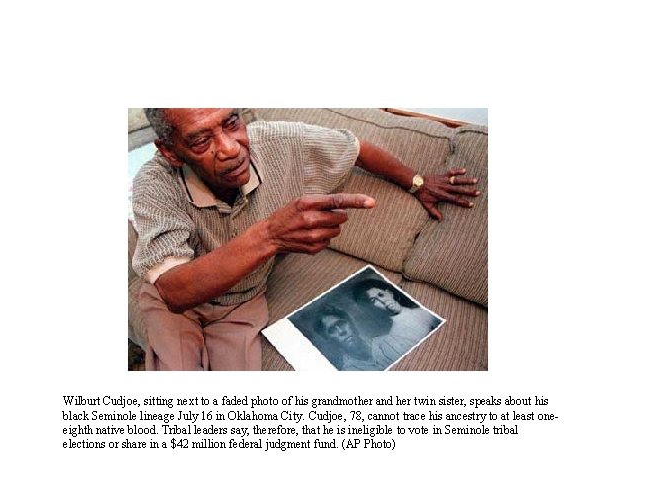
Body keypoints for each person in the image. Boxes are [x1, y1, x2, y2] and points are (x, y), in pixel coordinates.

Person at [132, 108, 480, 370]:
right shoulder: (154, 183)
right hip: (177, 301)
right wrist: (269, 235)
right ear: (172, 152)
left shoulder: (279, 142)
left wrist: (417, 182)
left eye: (232, 122)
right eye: (201, 140)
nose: (230, 149)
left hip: (242, 300)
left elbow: (354, 146)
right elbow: (175, 292)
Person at [352, 279, 441, 344]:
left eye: (381, 295)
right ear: (371, 307)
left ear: (390, 293)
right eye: (373, 300)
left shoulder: (425, 311)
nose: (382, 301)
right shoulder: (393, 338)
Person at [313, 306, 399, 371]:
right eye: (332, 330)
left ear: (351, 323)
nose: (341, 332)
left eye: (341, 324)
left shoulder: (388, 341)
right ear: (329, 340)